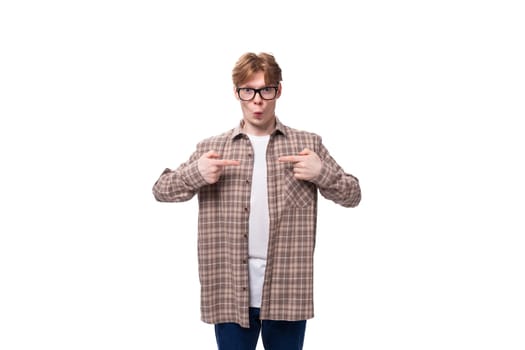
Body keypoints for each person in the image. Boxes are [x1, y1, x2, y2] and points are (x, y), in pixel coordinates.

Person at [152, 52, 361, 350]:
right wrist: (195, 174)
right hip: (229, 289)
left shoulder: (308, 145)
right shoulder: (213, 147)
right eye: (248, 91)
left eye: (266, 89)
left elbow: (353, 194)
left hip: (288, 287)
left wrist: (321, 173)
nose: (257, 100)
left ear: (279, 90)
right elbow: (161, 190)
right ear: (236, 92)